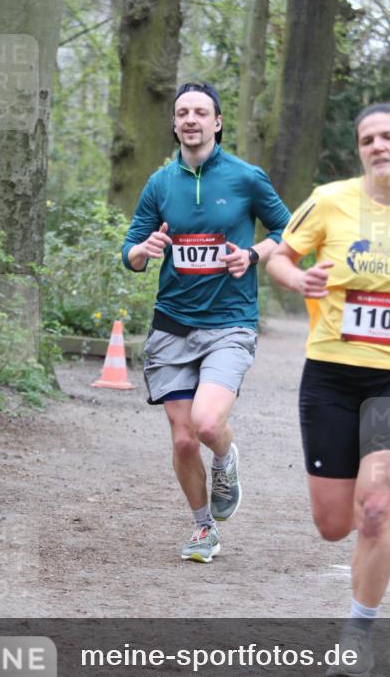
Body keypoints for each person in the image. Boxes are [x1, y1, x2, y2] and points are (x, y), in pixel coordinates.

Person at [266, 102, 390, 675]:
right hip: (331, 374)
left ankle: (358, 629)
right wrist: (298, 278)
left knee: (376, 509)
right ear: (359, 151)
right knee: (334, 524)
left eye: (388, 136)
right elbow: (280, 258)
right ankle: (359, 558)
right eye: (367, 139)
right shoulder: (329, 200)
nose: (377, 145)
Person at [122, 81, 290, 563]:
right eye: (182, 113)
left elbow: (287, 229)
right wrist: (143, 250)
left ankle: (225, 458)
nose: (190, 119)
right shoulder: (160, 184)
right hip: (172, 325)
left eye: (200, 112)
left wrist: (253, 254)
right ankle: (203, 528)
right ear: (174, 124)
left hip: (229, 323)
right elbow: (130, 251)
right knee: (181, 438)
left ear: (217, 122)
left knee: (208, 423)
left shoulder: (246, 177)